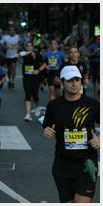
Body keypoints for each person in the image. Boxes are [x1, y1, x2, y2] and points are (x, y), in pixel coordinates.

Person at [43, 65, 100, 203]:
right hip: (63, 163)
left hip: (86, 163)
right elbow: (47, 125)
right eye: (69, 80)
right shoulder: (54, 105)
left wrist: (100, 139)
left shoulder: (92, 104)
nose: (74, 83)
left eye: (77, 79)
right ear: (62, 83)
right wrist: (46, 131)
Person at [19, 42, 44, 121]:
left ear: (33, 47)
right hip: (26, 77)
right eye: (27, 46)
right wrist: (26, 53)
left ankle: (37, 107)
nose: (29, 47)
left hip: (35, 77)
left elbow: (44, 64)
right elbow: (18, 57)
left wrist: (38, 70)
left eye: (30, 46)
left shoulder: (37, 54)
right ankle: (28, 114)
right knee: (27, 94)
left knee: (35, 95)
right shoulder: (24, 54)